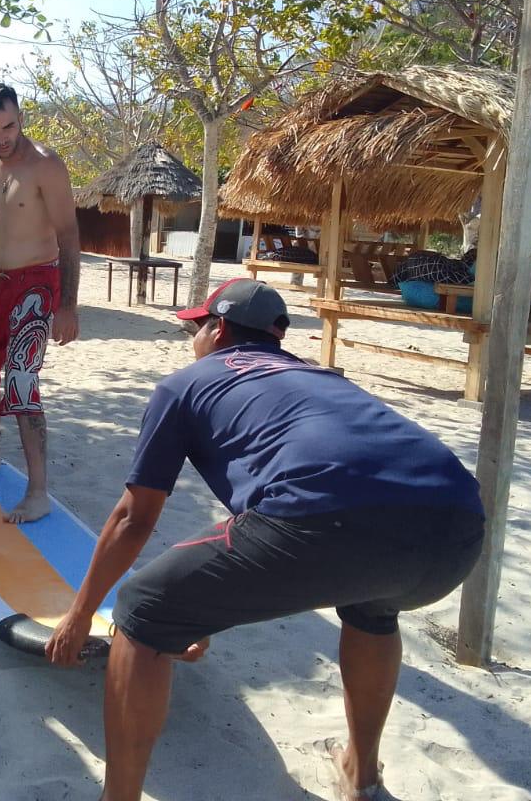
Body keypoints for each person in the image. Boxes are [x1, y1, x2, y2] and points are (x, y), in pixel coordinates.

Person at [45, 278, 484, 801]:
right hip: (456, 525)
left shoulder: (186, 383)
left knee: (143, 607)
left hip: (328, 522)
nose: (194, 339)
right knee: (372, 608)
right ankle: (360, 774)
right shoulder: (319, 374)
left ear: (218, 329)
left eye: (198, 327)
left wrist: (79, 616)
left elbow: (132, 520)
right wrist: (200, 607)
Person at [0, 81, 81, 524]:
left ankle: (38, 491)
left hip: (40, 284)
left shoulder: (46, 166)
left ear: (21, 118)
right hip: (1, 283)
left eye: (8, 126)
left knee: (21, 379)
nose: (2, 138)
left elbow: (68, 236)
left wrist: (68, 306)